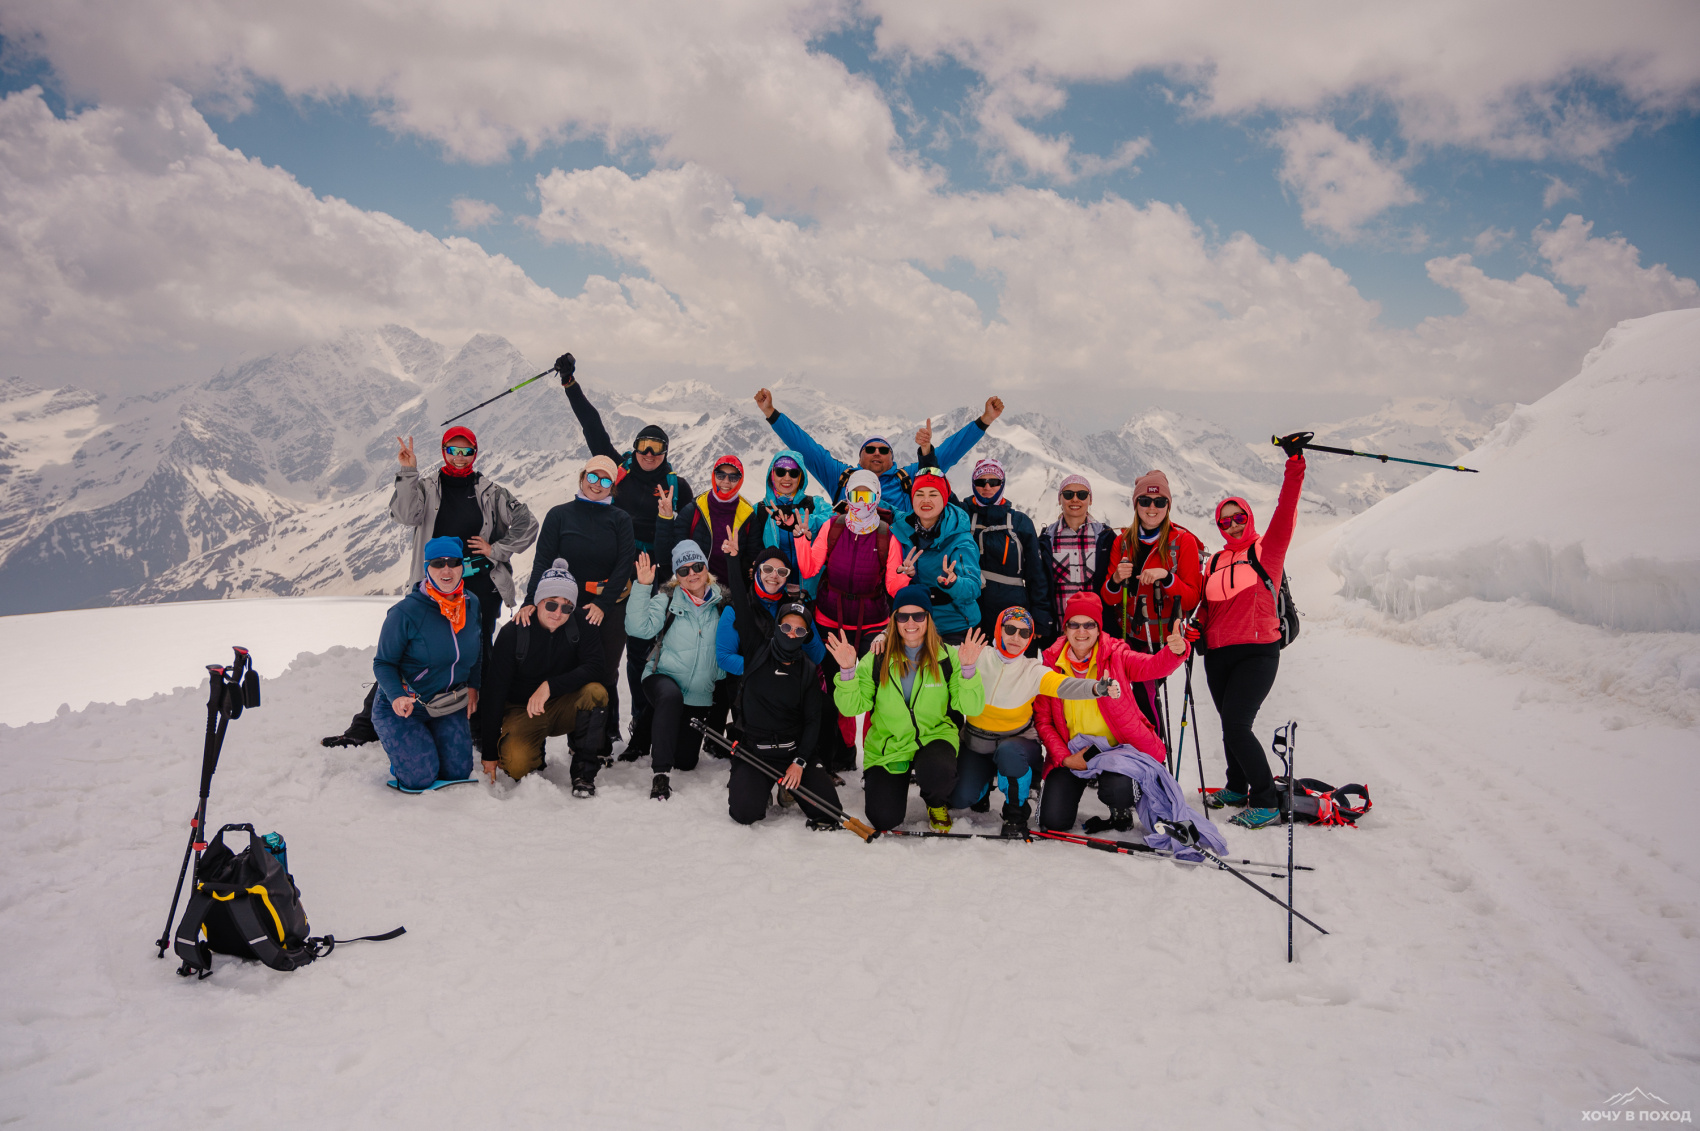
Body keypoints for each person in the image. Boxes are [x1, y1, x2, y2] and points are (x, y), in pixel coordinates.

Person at [323, 427, 537, 748]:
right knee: (409, 654)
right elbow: (405, 515)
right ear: (443, 451)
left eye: (466, 451)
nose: (459, 457)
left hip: (479, 587)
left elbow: (528, 523)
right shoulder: (425, 487)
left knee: (478, 655)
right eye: (453, 450)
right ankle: (366, 725)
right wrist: (408, 471)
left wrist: (498, 550)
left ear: (475, 453)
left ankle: (477, 726)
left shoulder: (492, 493)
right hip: (432, 586)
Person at [558, 352, 696, 751]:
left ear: (665, 453)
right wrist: (570, 383)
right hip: (618, 571)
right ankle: (617, 726)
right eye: (643, 446)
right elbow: (592, 427)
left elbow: (684, 533)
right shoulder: (618, 470)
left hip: (657, 576)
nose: (649, 454)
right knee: (616, 653)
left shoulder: (676, 485)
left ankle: (644, 724)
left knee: (648, 654)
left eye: (658, 448)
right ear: (634, 447)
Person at [1190, 433, 1310, 829]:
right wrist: (1195, 631)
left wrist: (1295, 463)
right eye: (1225, 521)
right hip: (1219, 655)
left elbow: (1286, 509)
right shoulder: (1216, 560)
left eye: (1239, 517)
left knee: (1237, 725)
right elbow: (1206, 608)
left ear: (1249, 517)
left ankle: (1265, 800)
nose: (1232, 524)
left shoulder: (1266, 550)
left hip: (1258, 652)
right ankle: (1236, 786)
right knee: (1228, 724)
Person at [826, 586, 986, 834]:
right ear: (894, 620)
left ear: (929, 618)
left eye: (918, 616)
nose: (910, 622)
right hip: (890, 744)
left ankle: (935, 803)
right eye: (903, 616)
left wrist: (968, 671)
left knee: (939, 772)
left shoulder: (946, 657)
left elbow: (970, 706)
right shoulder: (877, 657)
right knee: (884, 818)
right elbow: (852, 708)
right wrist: (847, 672)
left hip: (934, 736)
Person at [782, 469, 910, 775]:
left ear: (877, 498)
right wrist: (801, 539)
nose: (860, 502)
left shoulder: (886, 537)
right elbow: (811, 567)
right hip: (831, 622)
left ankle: (875, 760)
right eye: (855, 495)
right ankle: (840, 754)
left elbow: (893, 588)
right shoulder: (834, 527)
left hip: (872, 626)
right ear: (847, 497)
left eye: (867, 496)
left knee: (874, 693)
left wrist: (904, 577)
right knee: (836, 692)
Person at [952, 606, 1118, 837]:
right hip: (977, 744)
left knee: (1010, 754)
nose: (1016, 638)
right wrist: (886, 636)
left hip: (1017, 745)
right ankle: (983, 787)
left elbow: (1064, 685)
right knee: (960, 798)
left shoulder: (1032, 670)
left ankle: (1015, 811)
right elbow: (932, 651)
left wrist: (1095, 687)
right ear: (999, 630)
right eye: (1009, 629)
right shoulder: (976, 655)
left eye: (1024, 633)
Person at [512, 455, 633, 759]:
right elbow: (542, 560)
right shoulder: (559, 515)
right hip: (562, 605)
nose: (597, 485)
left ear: (613, 487)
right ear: (582, 478)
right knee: (564, 668)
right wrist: (531, 601)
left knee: (604, 673)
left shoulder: (620, 519)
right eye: (593, 477)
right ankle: (560, 738)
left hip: (607, 607)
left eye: (606, 480)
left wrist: (604, 603)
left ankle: (596, 744)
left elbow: (623, 565)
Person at [1035, 593, 1188, 833]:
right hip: (1074, 751)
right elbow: (1043, 722)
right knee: (1053, 821)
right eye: (1074, 624)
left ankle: (1121, 808)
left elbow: (1151, 666)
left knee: (1119, 790)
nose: (1081, 631)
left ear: (1098, 629)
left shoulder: (1116, 656)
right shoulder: (1050, 665)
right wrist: (1064, 758)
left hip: (1116, 751)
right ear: (1065, 629)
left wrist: (1174, 652)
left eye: (1089, 625)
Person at [717, 544, 842, 826]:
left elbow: (812, 717)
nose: (792, 633)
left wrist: (799, 761)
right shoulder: (749, 630)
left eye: (781, 571)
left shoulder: (806, 667)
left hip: (791, 740)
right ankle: (750, 779)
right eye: (786, 628)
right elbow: (737, 604)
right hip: (755, 731)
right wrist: (732, 558)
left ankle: (804, 776)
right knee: (744, 813)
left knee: (829, 812)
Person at [753, 388, 1003, 519]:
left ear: (892, 459)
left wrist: (984, 420)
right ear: (859, 458)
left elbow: (949, 452)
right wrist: (771, 413)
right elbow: (805, 448)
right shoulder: (842, 476)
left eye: (884, 450)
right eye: (869, 449)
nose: (876, 453)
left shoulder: (908, 477)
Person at [479, 559, 610, 795]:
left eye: (567, 607)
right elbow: (494, 694)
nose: (558, 613)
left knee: (596, 693)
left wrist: (550, 686)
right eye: (551, 605)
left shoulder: (581, 623)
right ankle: (534, 751)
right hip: (522, 710)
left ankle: (583, 772)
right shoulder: (513, 634)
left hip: (562, 704)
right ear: (538, 601)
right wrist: (489, 753)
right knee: (517, 766)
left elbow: (596, 666)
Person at [371, 537, 485, 790]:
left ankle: (426, 743)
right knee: (419, 778)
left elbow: (477, 648)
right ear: (427, 568)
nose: (446, 570)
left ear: (461, 566)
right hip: (404, 706)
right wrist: (396, 696)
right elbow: (383, 663)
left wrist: (474, 685)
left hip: (447, 703)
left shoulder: (471, 603)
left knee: (458, 772)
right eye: (437, 563)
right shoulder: (405, 612)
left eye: (453, 562)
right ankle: (405, 754)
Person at [1099, 469, 1203, 740]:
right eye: (1145, 501)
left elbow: (1192, 596)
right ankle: (1149, 754)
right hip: (1132, 635)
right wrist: (1115, 579)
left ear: (1169, 505)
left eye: (1159, 502)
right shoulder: (1122, 543)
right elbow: (1109, 597)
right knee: (1134, 698)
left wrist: (1167, 577)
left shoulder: (1183, 543)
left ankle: (1153, 755)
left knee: (1144, 696)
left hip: (1168, 640)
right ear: (1136, 505)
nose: (1152, 508)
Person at [624, 541, 726, 800]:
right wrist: (643, 587)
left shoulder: (723, 605)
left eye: (697, 566)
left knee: (686, 761)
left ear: (706, 568)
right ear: (676, 577)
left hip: (699, 693)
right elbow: (638, 629)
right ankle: (660, 775)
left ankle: (648, 722)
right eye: (683, 570)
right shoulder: (666, 599)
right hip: (662, 677)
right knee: (670, 698)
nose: (691, 573)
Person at [963, 458, 1052, 647]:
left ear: (1002, 484)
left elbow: (1036, 574)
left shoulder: (1020, 522)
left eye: (994, 482)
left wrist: (1039, 616)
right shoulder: (963, 516)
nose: (987, 487)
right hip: (971, 610)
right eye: (980, 482)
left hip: (1012, 611)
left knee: (1012, 669)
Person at [892, 468, 982, 645]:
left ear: (944, 499)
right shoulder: (905, 527)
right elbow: (887, 510)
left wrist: (954, 583)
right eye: (919, 494)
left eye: (933, 494)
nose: (926, 500)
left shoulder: (960, 539)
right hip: (914, 626)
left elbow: (973, 588)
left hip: (954, 627)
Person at [659, 453, 764, 590]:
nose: (726, 481)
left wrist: (737, 559)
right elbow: (670, 553)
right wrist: (665, 519)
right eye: (720, 475)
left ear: (740, 480)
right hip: (697, 592)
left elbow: (753, 559)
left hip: (733, 593)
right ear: (713, 476)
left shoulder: (748, 516)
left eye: (733, 477)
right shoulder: (694, 510)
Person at [1037, 474, 1115, 650]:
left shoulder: (1105, 537)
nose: (1075, 499)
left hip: (1096, 631)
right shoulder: (1046, 538)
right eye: (1068, 494)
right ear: (1060, 499)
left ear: (1090, 499)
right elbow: (1040, 585)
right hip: (1060, 631)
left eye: (1081, 495)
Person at [751, 449, 831, 597]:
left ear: (801, 477)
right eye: (781, 472)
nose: (787, 478)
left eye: (793, 473)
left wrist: (803, 521)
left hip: (812, 592)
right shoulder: (761, 510)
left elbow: (832, 520)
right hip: (774, 590)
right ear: (772, 474)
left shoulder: (815, 505)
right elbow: (751, 546)